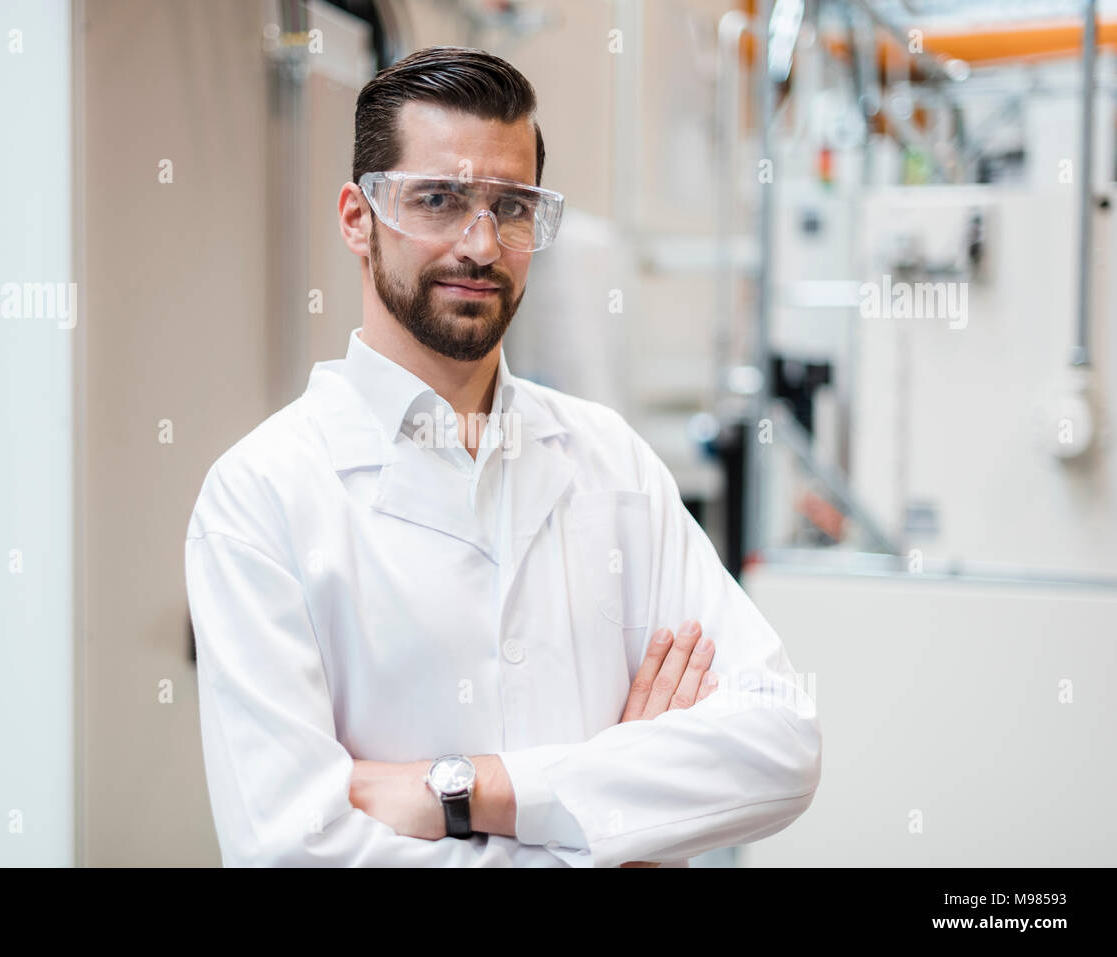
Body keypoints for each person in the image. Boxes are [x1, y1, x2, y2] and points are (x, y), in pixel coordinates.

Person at [184, 45, 821, 867]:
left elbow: (781, 742)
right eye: (439, 200)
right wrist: (617, 823)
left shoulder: (610, 463)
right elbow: (294, 853)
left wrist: (470, 788)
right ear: (356, 217)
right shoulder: (260, 496)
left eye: (511, 207)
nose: (481, 245)